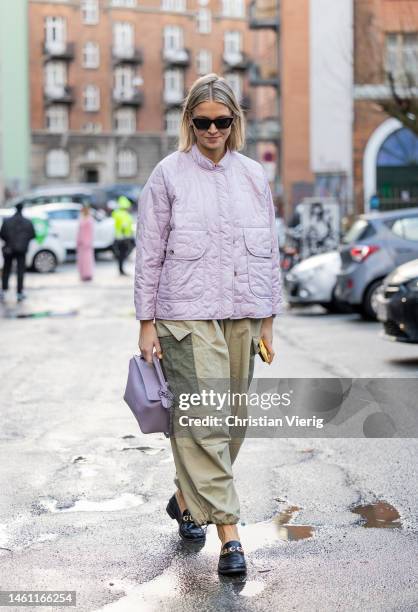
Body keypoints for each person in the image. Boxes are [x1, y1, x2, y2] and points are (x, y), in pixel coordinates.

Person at [134, 73, 283, 577]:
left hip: (242, 312)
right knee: (205, 422)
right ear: (189, 122)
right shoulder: (168, 175)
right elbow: (149, 253)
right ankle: (231, 535)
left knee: (233, 423)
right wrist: (145, 321)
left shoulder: (252, 176)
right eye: (203, 122)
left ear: (235, 121)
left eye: (222, 121)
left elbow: (268, 253)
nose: (212, 130)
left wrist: (268, 320)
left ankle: (184, 498)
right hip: (184, 316)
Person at [0, 202, 36, 302]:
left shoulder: (7, 221)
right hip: (21, 250)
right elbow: (32, 235)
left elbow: (2, 234)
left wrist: (9, 241)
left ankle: (4, 289)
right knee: (20, 271)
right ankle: (19, 292)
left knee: (6, 270)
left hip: (9, 249)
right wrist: (23, 242)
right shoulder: (27, 222)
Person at [112, 195, 134, 276]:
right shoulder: (124, 214)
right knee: (122, 255)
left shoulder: (116, 213)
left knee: (120, 255)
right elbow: (124, 226)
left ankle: (121, 269)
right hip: (124, 238)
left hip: (118, 237)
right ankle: (121, 270)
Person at [76, 204, 94, 282]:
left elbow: (90, 232)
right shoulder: (82, 218)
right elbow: (79, 231)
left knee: (87, 259)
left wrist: (87, 241)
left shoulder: (89, 219)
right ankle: (83, 274)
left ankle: (88, 274)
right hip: (81, 242)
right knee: (82, 259)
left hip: (87, 242)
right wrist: (78, 240)